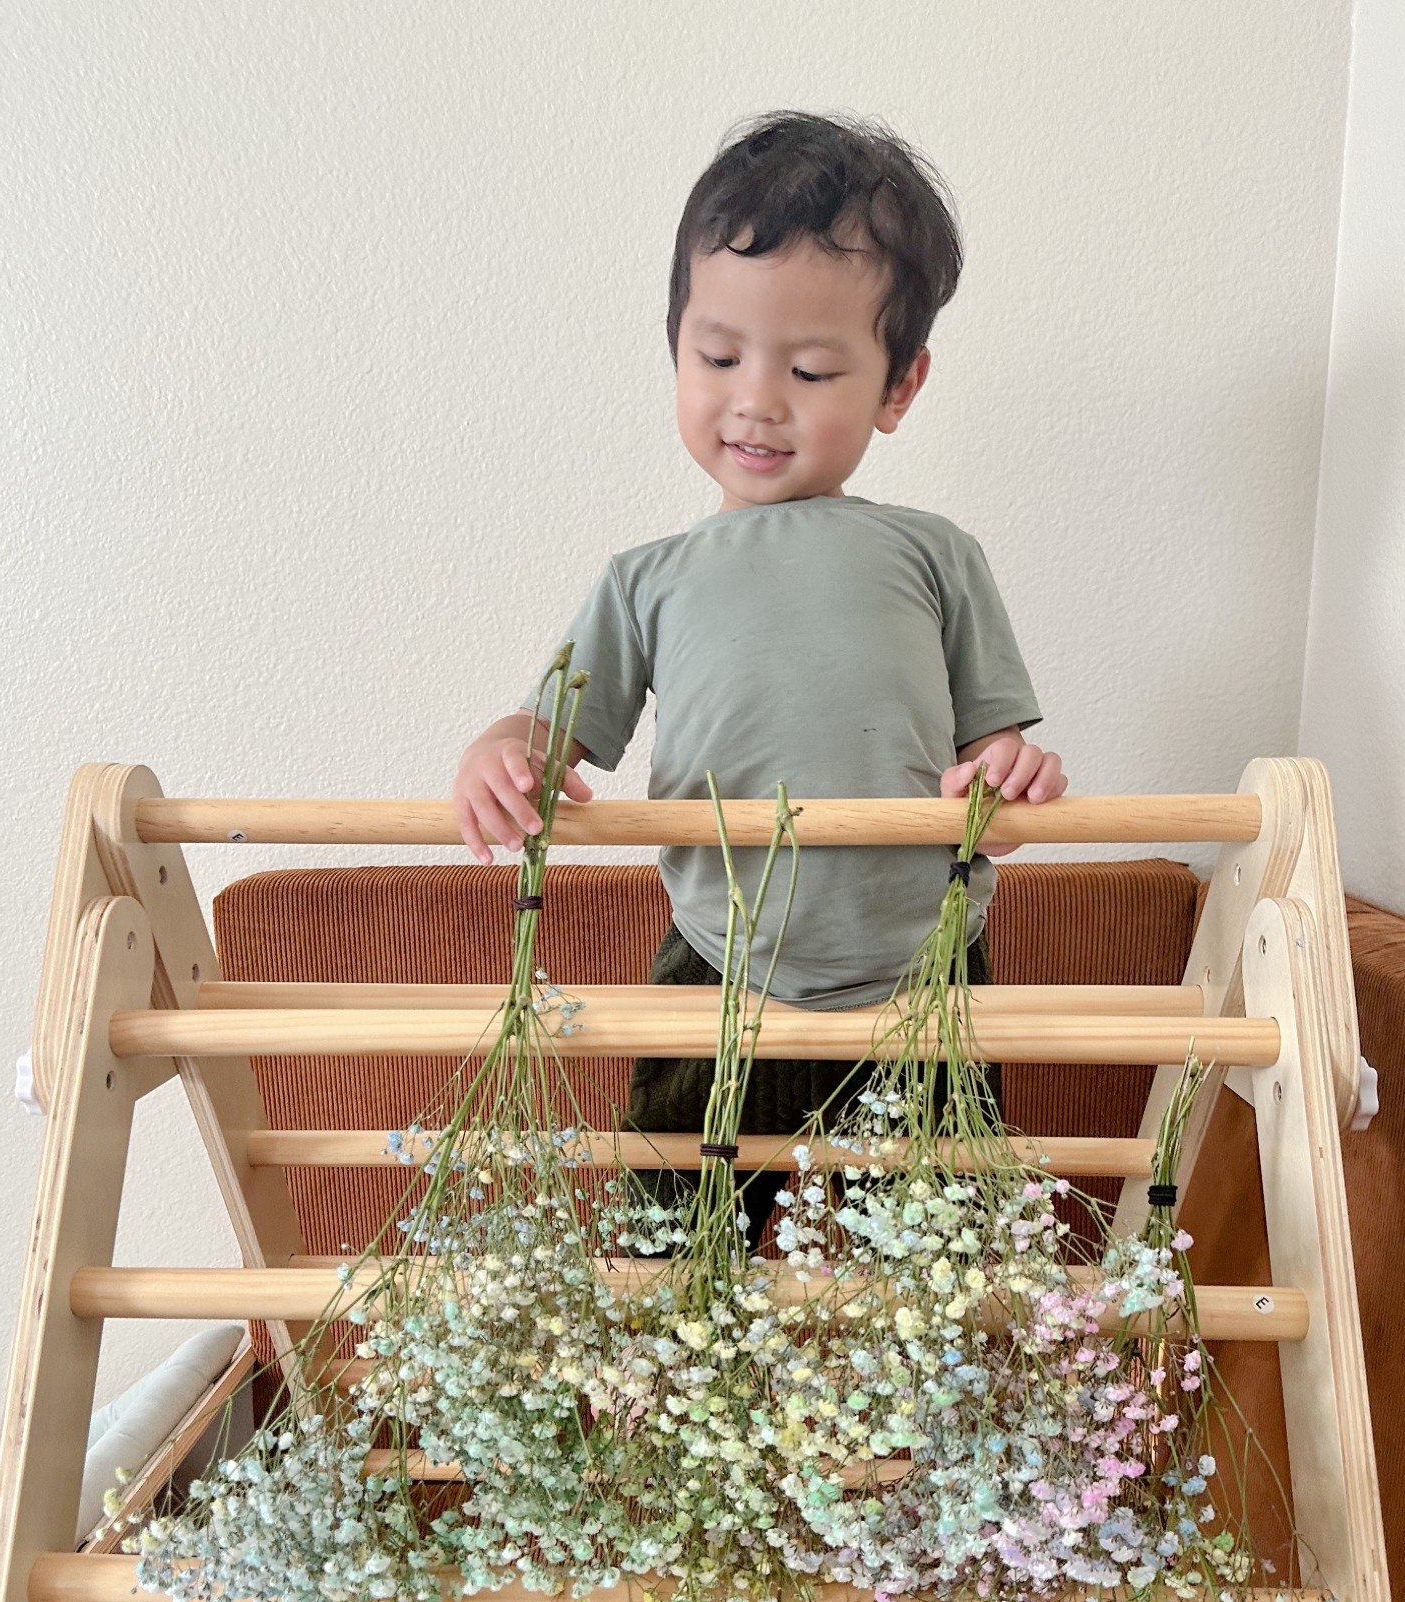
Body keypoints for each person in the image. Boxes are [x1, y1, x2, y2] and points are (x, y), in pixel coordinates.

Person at [450, 109, 1067, 1241]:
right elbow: (552, 729)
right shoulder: (648, 578)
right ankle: (660, 1401)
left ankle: (916, 1413)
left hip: (920, 958)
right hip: (716, 955)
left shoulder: (936, 554)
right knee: (674, 1227)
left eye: (813, 367)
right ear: (675, 348)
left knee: (933, 1247)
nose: (756, 399)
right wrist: (504, 752)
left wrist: (1013, 775)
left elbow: (995, 755)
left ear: (899, 384)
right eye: (719, 356)